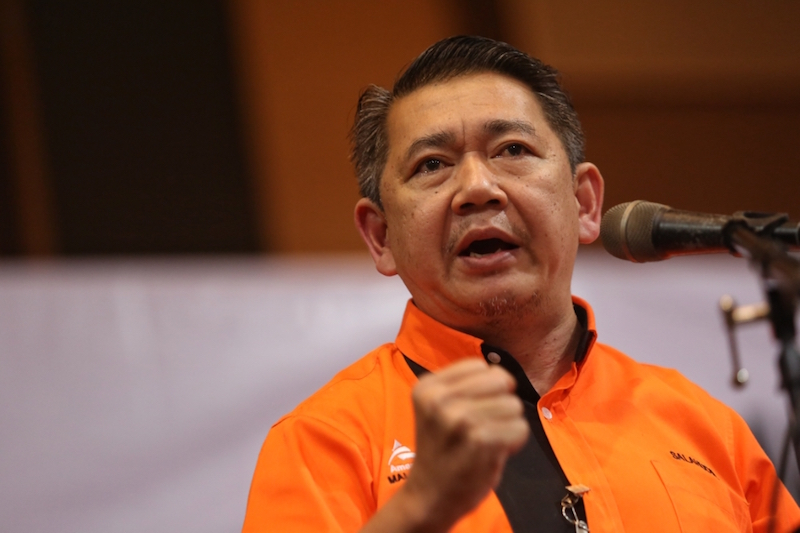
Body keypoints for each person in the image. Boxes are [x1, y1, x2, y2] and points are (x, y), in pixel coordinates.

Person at [242, 35, 800, 532]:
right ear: (382, 235)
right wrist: (419, 513)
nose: (477, 188)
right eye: (432, 165)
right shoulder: (323, 442)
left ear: (584, 203)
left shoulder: (706, 427)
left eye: (512, 150)